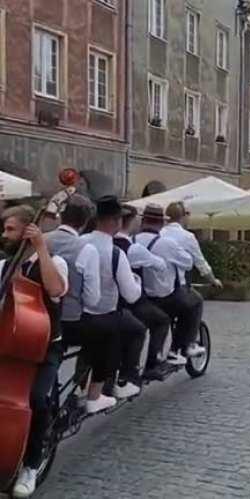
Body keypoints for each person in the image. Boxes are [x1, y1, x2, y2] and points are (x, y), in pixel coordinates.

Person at [0, 205, 68, 499]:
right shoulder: (3, 266)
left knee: (38, 398)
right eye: (4, 228)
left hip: (43, 347)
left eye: (11, 229)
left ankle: (31, 464)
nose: (4, 234)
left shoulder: (55, 262)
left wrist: (41, 248)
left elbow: (55, 290)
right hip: (8, 345)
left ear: (29, 230)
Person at [46, 194, 118, 414]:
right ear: (86, 221)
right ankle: (93, 396)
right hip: (68, 322)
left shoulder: (42, 239)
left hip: (39, 317)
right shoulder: (86, 249)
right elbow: (92, 298)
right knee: (107, 335)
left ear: (61, 218)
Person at [81, 196, 146, 397]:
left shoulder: (79, 242)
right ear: (116, 222)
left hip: (75, 314)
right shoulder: (115, 252)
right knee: (137, 329)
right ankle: (126, 379)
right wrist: (137, 280)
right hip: (103, 314)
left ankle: (80, 381)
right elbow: (132, 295)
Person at [136, 204, 206, 364]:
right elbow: (190, 263)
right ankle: (181, 347)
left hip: (139, 296)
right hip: (164, 295)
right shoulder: (168, 242)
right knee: (195, 302)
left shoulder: (132, 240)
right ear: (161, 222)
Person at [114, 206, 172, 373]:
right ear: (131, 222)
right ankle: (151, 364)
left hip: (106, 302)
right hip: (129, 302)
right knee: (161, 320)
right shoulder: (134, 248)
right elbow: (160, 265)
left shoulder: (105, 243)